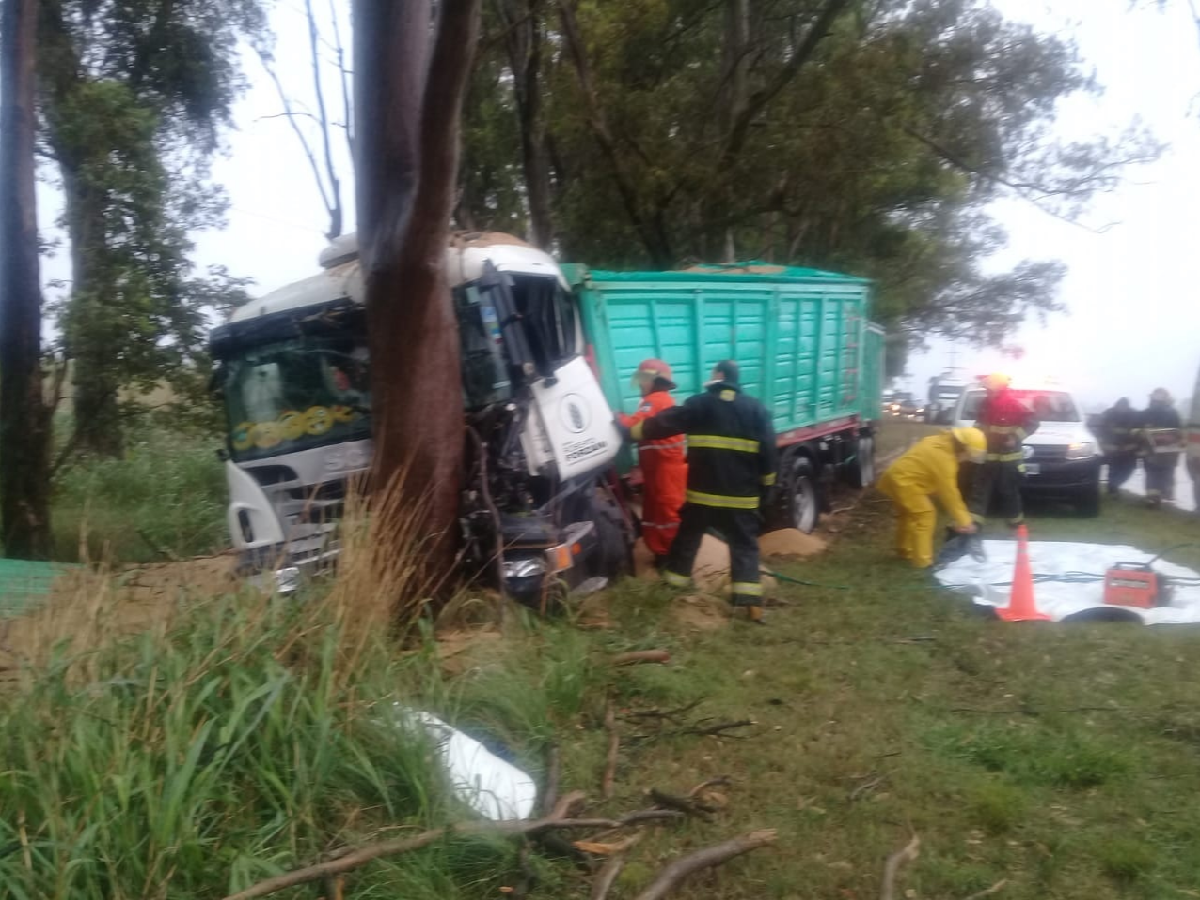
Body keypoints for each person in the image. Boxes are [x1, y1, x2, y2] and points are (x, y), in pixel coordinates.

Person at [630, 360, 777, 624]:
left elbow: (664, 423)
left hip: (702, 496)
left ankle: (673, 587)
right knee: (744, 546)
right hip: (742, 498)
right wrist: (767, 488)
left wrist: (632, 431)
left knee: (687, 540)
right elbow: (769, 455)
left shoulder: (699, 404)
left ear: (719, 376)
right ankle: (752, 607)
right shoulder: (757, 410)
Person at [879, 428, 985, 569]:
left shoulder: (938, 442)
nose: (969, 457)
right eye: (970, 453)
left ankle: (903, 551)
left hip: (896, 477)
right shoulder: (944, 460)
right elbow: (949, 494)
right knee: (925, 515)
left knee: (907, 516)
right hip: (905, 482)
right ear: (962, 446)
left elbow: (927, 472)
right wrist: (965, 522)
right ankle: (923, 562)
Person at [617, 359, 688, 568]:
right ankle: (662, 555)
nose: (640, 384)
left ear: (654, 380)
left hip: (665, 470)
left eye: (643, 379)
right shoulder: (661, 400)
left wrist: (615, 416)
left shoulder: (655, 401)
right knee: (657, 514)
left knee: (668, 514)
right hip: (660, 470)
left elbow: (631, 426)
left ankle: (672, 560)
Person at [967, 373, 1038, 528]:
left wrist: (1015, 437)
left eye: (990, 390)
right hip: (986, 457)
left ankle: (1016, 524)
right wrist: (973, 437)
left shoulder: (1014, 404)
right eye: (986, 390)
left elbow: (1032, 422)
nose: (988, 393)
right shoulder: (985, 404)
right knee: (980, 491)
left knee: (1009, 492)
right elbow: (979, 425)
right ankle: (974, 524)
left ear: (1000, 389)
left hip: (1008, 459)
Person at [1140, 387, 1184, 507]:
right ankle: (1159, 495)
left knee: (1153, 472)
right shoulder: (1171, 411)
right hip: (1165, 449)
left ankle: (1154, 497)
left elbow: (1178, 431)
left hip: (1158, 449)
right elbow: (1178, 430)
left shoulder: (1148, 411)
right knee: (1161, 472)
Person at [1099, 397, 1141, 495]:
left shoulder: (1134, 415)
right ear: (1116, 405)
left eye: (1124, 407)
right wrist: (1105, 446)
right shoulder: (1108, 414)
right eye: (1120, 406)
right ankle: (1112, 488)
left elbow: (1139, 432)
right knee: (1113, 469)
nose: (1122, 409)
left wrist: (1134, 445)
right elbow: (1101, 431)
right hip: (1112, 448)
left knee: (1128, 470)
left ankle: (1113, 485)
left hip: (1129, 449)